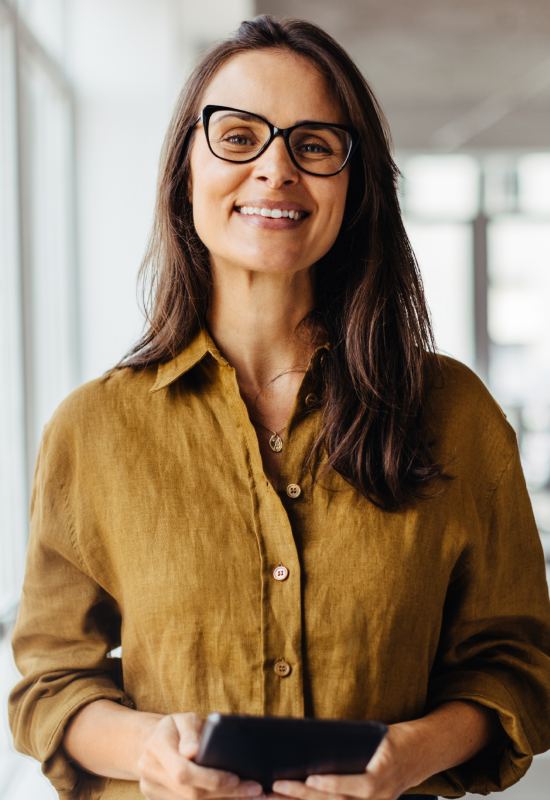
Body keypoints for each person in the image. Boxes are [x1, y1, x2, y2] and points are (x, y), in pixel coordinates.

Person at [8, 14, 550, 800]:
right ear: (185, 170)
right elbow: (52, 682)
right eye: (238, 137)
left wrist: (408, 754)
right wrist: (149, 749)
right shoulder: (93, 430)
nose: (275, 170)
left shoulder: (454, 411)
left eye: (315, 145)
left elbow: (517, 665)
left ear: (354, 185)